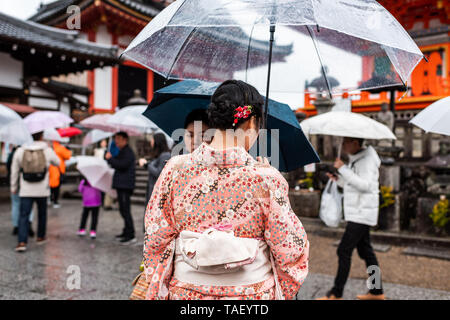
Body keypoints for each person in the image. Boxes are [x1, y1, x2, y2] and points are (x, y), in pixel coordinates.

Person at [140, 80, 309, 300]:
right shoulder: (266, 179)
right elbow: (291, 251)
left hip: (187, 295)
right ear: (251, 122)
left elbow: (156, 238)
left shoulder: (174, 169)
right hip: (250, 297)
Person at [318, 137, 385, 300]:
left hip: (361, 213)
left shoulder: (367, 160)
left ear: (355, 143)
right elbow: (353, 184)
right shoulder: (359, 159)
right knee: (366, 252)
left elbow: (366, 186)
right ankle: (377, 291)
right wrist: (338, 180)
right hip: (359, 211)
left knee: (343, 250)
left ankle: (336, 293)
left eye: (346, 142)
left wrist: (343, 170)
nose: (343, 145)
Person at [10, 131, 60, 252]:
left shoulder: (21, 150)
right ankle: (40, 236)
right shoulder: (46, 150)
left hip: (26, 189)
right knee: (42, 214)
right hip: (42, 189)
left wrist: (13, 186)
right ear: (42, 136)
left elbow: (14, 170)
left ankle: (22, 241)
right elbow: (57, 162)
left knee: (24, 215)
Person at [105, 132, 136, 244]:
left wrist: (110, 159)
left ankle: (130, 233)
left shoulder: (128, 152)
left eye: (118, 138)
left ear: (125, 139)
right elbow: (116, 162)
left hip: (125, 185)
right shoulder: (122, 151)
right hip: (122, 184)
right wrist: (110, 158)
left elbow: (121, 165)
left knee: (125, 209)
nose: (116, 141)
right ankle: (126, 231)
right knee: (123, 209)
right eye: (115, 139)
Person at [7, 145, 34, 236]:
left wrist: (13, 186)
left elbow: (10, 170)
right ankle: (29, 224)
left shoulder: (13, 153)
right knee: (29, 206)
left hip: (17, 183)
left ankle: (16, 226)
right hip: (28, 183)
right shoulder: (30, 152)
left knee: (16, 204)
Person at [139, 133, 172, 204]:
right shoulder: (159, 155)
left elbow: (159, 172)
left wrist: (146, 164)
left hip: (158, 191)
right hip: (153, 189)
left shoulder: (165, 155)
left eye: (152, 139)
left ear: (157, 141)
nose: (151, 141)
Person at [49, 140, 72, 208]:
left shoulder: (50, 148)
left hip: (49, 169)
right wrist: (67, 149)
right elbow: (68, 156)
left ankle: (50, 199)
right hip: (58, 169)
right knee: (56, 186)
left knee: (50, 186)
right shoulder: (60, 148)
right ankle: (55, 201)